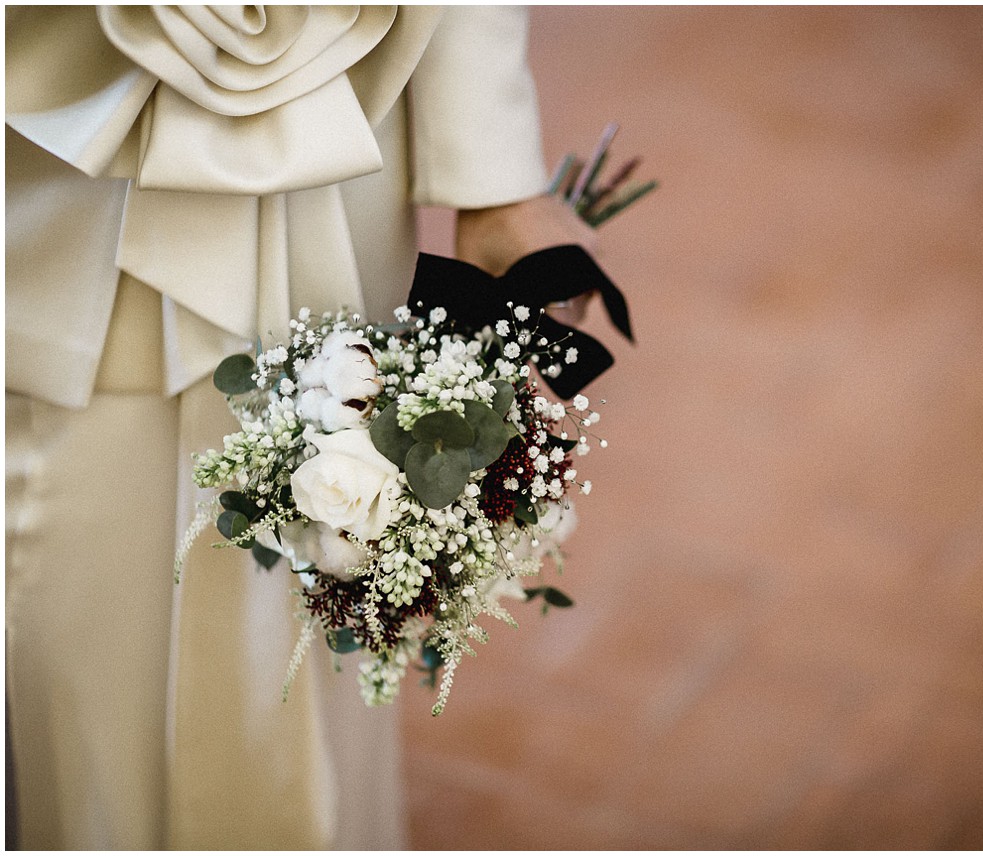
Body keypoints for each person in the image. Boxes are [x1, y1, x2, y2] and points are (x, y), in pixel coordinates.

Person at [5, 6, 590, 849]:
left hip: (327, 146)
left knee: (313, 592)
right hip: (60, 142)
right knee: (72, 642)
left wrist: (495, 170)